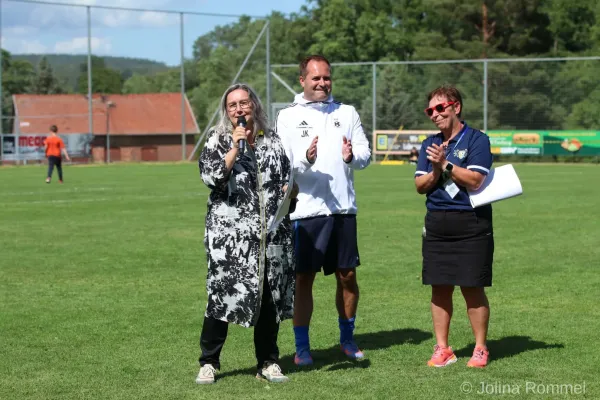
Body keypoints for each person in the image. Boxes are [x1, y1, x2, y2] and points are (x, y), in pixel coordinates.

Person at [196, 83, 297, 384]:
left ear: (254, 104)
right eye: (232, 105)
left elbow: (286, 181)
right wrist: (234, 149)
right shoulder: (218, 139)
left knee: (268, 299)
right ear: (226, 111)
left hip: (269, 238)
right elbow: (210, 176)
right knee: (222, 297)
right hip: (231, 241)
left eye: (244, 102)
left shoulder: (273, 141)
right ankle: (209, 362)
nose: (239, 109)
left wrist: (289, 191)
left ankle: (268, 362)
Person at [276, 55, 371, 366]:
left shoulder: (347, 112)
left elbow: (365, 155)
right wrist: (305, 157)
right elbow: (282, 164)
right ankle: (302, 348)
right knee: (304, 279)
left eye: (326, 78)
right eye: (315, 78)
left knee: (347, 276)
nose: (322, 83)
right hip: (306, 211)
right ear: (302, 80)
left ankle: (347, 338)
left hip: (343, 209)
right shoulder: (288, 116)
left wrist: (350, 156)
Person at [414, 85, 494, 368]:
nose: (434, 115)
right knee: (439, 288)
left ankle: (480, 348)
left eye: (440, 108)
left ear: (456, 107)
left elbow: (475, 180)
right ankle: (443, 349)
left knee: (472, 287)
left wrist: (445, 164)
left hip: (471, 223)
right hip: (437, 224)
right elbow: (420, 186)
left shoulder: (477, 140)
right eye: (429, 111)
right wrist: (435, 169)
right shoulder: (429, 144)